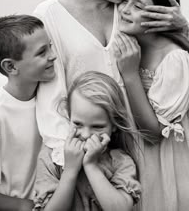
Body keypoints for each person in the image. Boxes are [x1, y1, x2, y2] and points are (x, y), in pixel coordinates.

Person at [33, 0, 188, 167]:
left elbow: (167, 53)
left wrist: (181, 25)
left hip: (139, 149)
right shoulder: (49, 14)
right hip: (86, 152)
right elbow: (51, 98)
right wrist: (70, 162)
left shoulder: (125, 9)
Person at [114, 0, 189, 211]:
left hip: (168, 166)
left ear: (161, 15)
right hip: (136, 156)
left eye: (138, 5)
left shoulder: (174, 59)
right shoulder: (129, 43)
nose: (125, 10)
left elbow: (154, 133)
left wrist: (130, 74)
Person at [33, 71, 141, 211]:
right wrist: (70, 170)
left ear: (114, 125)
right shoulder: (51, 157)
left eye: (97, 127)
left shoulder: (120, 161)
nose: (85, 134)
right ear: (68, 116)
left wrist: (91, 165)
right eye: (77, 124)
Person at [0, 15, 56, 211]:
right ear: (11, 66)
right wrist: (22, 206)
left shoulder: (48, 93)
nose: (53, 55)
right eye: (42, 52)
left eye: (50, 46)